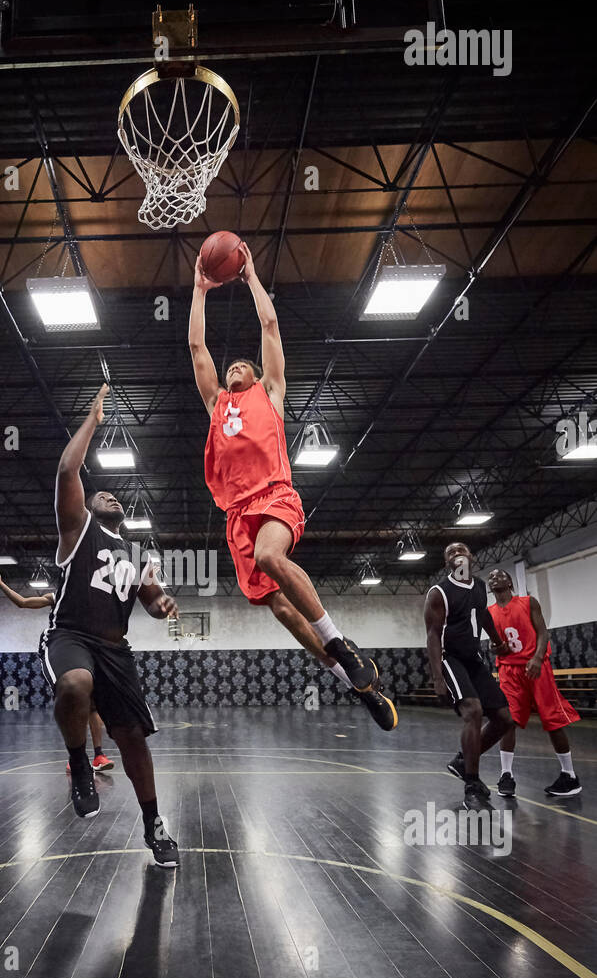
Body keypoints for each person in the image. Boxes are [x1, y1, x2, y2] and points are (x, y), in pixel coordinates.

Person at [189, 241, 397, 732]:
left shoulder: (272, 393)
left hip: (276, 495)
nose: (236, 366)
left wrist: (251, 276)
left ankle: (340, 642)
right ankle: (353, 680)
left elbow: (270, 326)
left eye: (244, 364)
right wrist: (199, 290)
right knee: (279, 606)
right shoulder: (217, 405)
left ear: (259, 375)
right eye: (232, 365)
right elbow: (197, 348)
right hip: (237, 514)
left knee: (270, 558)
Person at [39, 383, 180, 867]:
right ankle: (79, 761)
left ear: (125, 515)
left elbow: (153, 599)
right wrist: (94, 421)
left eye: (116, 496)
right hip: (70, 636)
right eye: (102, 493)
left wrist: (162, 604)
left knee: (133, 739)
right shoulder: (76, 529)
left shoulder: (139, 554)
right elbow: (66, 469)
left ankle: (153, 825)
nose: (109, 495)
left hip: (116, 650)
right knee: (76, 685)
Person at [0, 564, 114, 771]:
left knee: (92, 706)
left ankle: (99, 756)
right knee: (72, 703)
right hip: (60, 650)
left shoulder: (91, 600)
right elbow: (22, 602)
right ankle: (75, 758)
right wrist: (0, 583)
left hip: (85, 651)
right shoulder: (56, 598)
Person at [424, 542, 512, 810]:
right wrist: (438, 677)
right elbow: (433, 635)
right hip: (451, 658)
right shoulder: (439, 592)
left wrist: (496, 639)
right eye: (450, 552)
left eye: (461, 549)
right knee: (473, 711)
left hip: (473, 659)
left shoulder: (478, 586)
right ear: (447, 562)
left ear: (471, 557)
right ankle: (472, 785)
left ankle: (463, 761)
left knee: (504, 718)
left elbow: (482, 613)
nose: (456, 553)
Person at [486, 569, 581, 797]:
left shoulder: (528, 602)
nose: (494, 578)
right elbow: (494, 644)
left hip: (535, 667)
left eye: (500, 575)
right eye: (491, 577)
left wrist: (538, 658)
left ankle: (569, 775)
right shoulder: (488, 613)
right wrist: (495, 648)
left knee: (552, 719)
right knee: (507, 720)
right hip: (509, 670)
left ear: (510, 582)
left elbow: (543, 633)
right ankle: (506, 774)